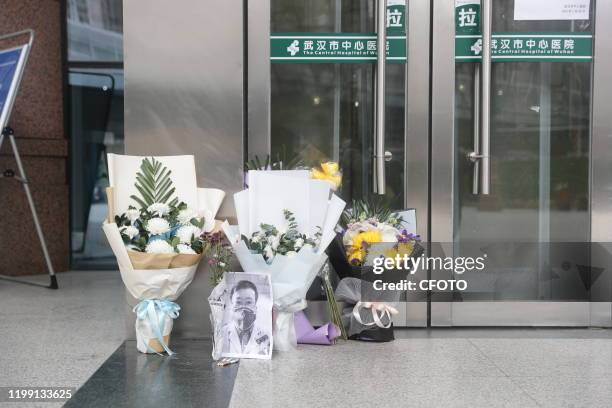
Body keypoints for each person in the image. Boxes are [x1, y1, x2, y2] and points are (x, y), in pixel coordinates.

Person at [222, 280, 270, 356]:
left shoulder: (267, 335)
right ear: (231, 307)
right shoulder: (222, 333)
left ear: (255, 308)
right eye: (238, 302)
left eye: (248, 302)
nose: (243, 308)